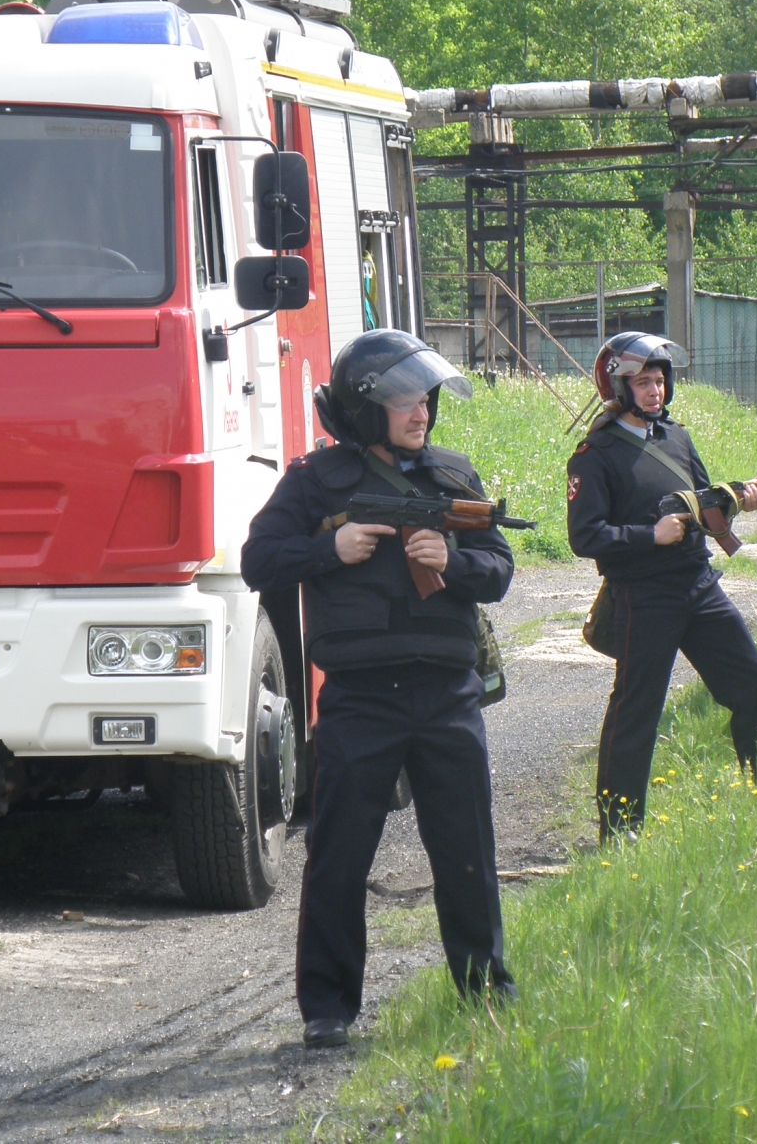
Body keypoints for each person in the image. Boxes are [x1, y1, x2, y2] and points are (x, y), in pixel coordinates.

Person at [241, 329, 516, 1050]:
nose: (419, 410)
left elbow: (500, 568)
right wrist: (327, 550)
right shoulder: (314, 481)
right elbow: (258, 559)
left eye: (423, 397)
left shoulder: (455, 475)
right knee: (338, 854)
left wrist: (452, 561)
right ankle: (327, 1009)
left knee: (466, 849)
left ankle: (486, 988)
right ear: (365, 409)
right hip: (362, 697)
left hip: (448, 691)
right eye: (401, 399)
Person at [566, 331, 757, 839]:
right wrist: (649, 535)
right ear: (619, 386)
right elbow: (585, 536)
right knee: (636, 714)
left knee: (753, 686)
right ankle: (620, 834)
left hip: (699, 585)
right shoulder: (594, 455)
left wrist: (739, 501)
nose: (655, 390)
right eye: (642, 382)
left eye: (660, 379)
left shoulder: (677, 438)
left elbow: (706, 507)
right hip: (643, 596)